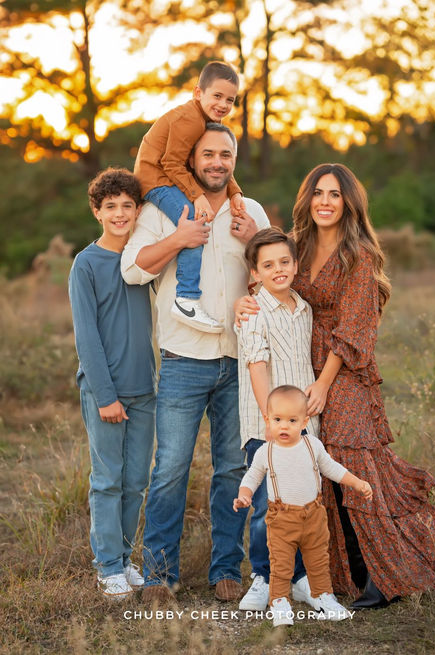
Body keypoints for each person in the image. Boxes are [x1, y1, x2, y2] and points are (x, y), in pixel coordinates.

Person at [236, 162, 435, 608]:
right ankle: (341, 574)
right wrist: (246, 300)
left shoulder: (360, 254)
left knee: (359, 466)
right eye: (318, 192)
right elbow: (268, 279)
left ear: (349, 201)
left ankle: (387, 574)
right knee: (319, 471)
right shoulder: (296, 246)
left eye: (335, 194)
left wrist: (323, 383)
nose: (324, 201)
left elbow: (356, 327)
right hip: (296, 371)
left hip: (343, 372)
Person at [121, 122, 269, 605]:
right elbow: (132, 268)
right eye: (207, 153)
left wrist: (254, 243)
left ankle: (226, 567)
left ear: (234, 158)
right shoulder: (164, 208)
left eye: (225, 154)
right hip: (184, 358)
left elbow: (275, 278)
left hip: (241, 361)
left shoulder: (253, 211)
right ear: (191, 158)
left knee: (231, 467)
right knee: (171, 468)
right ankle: (161, 574)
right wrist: (180, 238)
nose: (216, 162)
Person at [68, 168, 156, 600]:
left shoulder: (144, 261)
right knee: (108, 479)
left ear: (138, 210)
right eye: (111, 207)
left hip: (145, 388)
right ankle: (106, 566)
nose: (120, 214)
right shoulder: (86, 263)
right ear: (97, 212)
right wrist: (106, 396)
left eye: (127, 206)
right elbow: (87, 336)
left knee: (137, 479)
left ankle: (123, 558)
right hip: (105, 390)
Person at [233, 385, 373, 626]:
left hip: (314, 516)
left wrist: (357, 483)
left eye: (292, 420)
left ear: (305, 421)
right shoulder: (266, 452)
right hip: (282, 519)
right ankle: (279, 602)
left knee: (318, 560)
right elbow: (252, 477)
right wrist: (244, 495)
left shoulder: (312, 445)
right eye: (277, 419)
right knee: (281, 563)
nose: (284, 426)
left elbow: (332, 468)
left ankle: (323, 597)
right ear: (267, 419)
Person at [236, 227, 320, 613]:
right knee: (269, 506)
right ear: (255, 273)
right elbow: (257, 366)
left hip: (302, 428)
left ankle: (298, 577)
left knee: (300, 500)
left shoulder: (304, 308)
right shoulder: (253, 311)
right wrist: (271, 420)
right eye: (268, 265)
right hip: (266, 427)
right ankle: (263, 576)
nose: (278, 269)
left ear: (295, 264)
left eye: (284, 262)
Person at [134, 60, 245, 334]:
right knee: (195, 221)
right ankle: (186, 298)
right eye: (216, 96)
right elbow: (172, 163)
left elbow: (214, 163)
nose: (223, 104)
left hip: (166, 176)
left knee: (196, 218)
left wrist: (235, 191)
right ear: (198, 93)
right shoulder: (190, 119)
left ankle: (186, 296)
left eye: (229, 100)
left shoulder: (206, 120)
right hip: (155, 179)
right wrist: (197, 196)